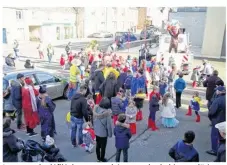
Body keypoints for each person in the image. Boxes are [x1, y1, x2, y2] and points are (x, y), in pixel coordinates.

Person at [207, 86, 226, 156]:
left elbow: (212, 111)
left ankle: (215, 150)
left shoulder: (217, 100)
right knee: (223, 135)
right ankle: (222, 149)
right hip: (224, 120)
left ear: (220, 92)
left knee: (214, 135)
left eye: (217, 90)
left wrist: (211, 118)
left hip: (217, 120)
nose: (216, 91)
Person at [93, 97, 112, 162]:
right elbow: (108, 125)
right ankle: (102, 158)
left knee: (97, 145)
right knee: (103, 147)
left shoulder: (96, 109)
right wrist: (110, 134)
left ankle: (98, 157)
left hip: (96, 131)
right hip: (103, 133)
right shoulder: (107, 114)